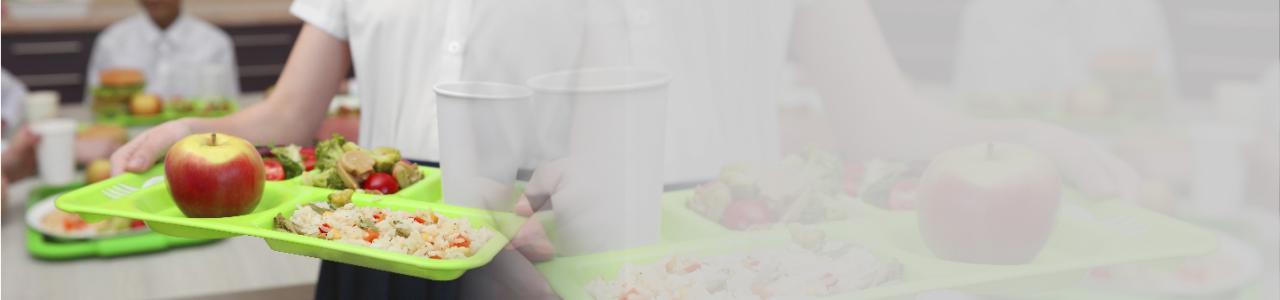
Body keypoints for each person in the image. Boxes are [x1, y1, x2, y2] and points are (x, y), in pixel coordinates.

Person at [110, 1, 1138, 299]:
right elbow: (291, 119)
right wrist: (201, 141)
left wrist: (1015, 141)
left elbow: (882, 124)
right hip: (390, 254)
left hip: (703, 259)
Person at [85, 0, 238, 102]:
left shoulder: (215, 42)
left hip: (197, 142)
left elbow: (230, 109)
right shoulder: (111, 41)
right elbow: (95, 108)